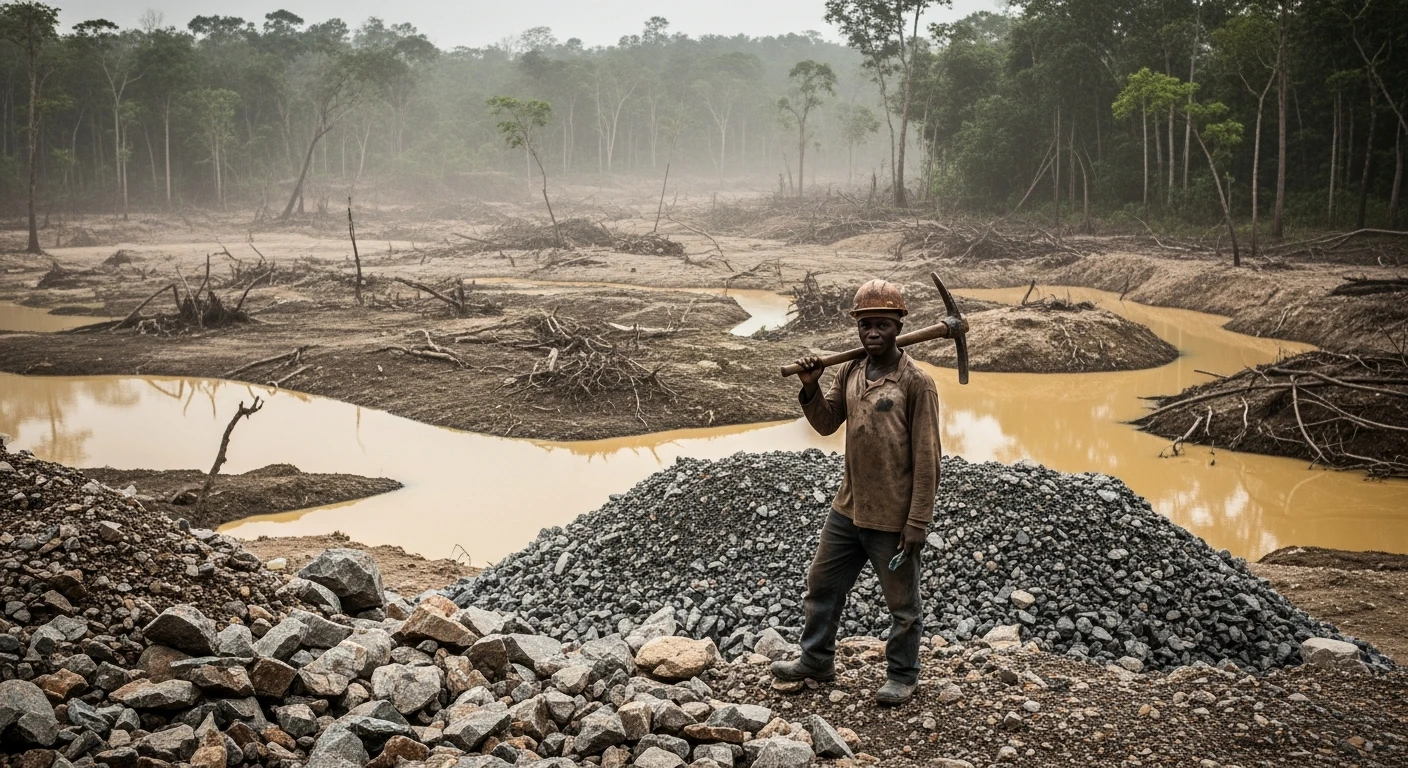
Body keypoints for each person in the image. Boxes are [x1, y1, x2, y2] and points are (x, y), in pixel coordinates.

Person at [772, 278, 942, 706]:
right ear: (857, 327)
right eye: (865, 324)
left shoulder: (916, 383)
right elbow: (828, 422)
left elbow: (928, 459)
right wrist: (810, 386)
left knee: (902, 607)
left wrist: (918, 521)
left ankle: (903, 675)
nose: (872, 333)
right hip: (847, 509)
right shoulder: (849, 370)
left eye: (882, 324)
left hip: (892, 519)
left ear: (898, 327)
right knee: (821, 586)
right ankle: (816, 660)